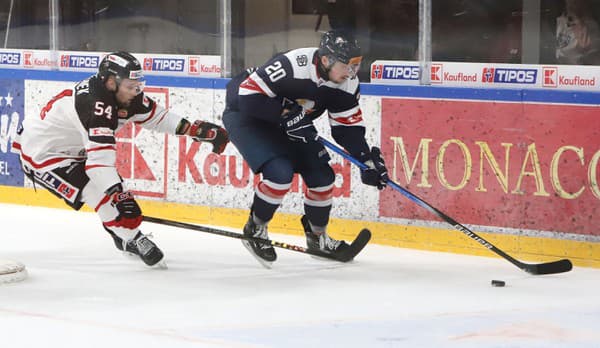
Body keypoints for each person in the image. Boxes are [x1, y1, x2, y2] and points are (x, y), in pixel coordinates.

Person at [12, 51, 229, 267]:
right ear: (110, 82)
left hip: (73, 148)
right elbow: (98, 165)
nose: (136, 91)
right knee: (99, 193)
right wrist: (120, 197)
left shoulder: (124, 94)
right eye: (130, 85)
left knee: (114, 195)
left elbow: (156, 117)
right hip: (43, 155)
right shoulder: (94, 106)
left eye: (138, 84)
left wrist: (192, 129)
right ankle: (131, 239)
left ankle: (123, 234)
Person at [222, 30, 388, 267]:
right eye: (347, 66)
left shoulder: (347, 85)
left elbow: (346, 129)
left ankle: (317, 238)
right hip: (248, 115)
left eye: (356, 65)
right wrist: (283, 115)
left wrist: (365, 160)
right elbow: (246, 96)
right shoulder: (293, 65)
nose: (352, 72)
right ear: (326, 60)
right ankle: (255, 228)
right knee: (279, 174)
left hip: (290, 122)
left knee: (323, 178)